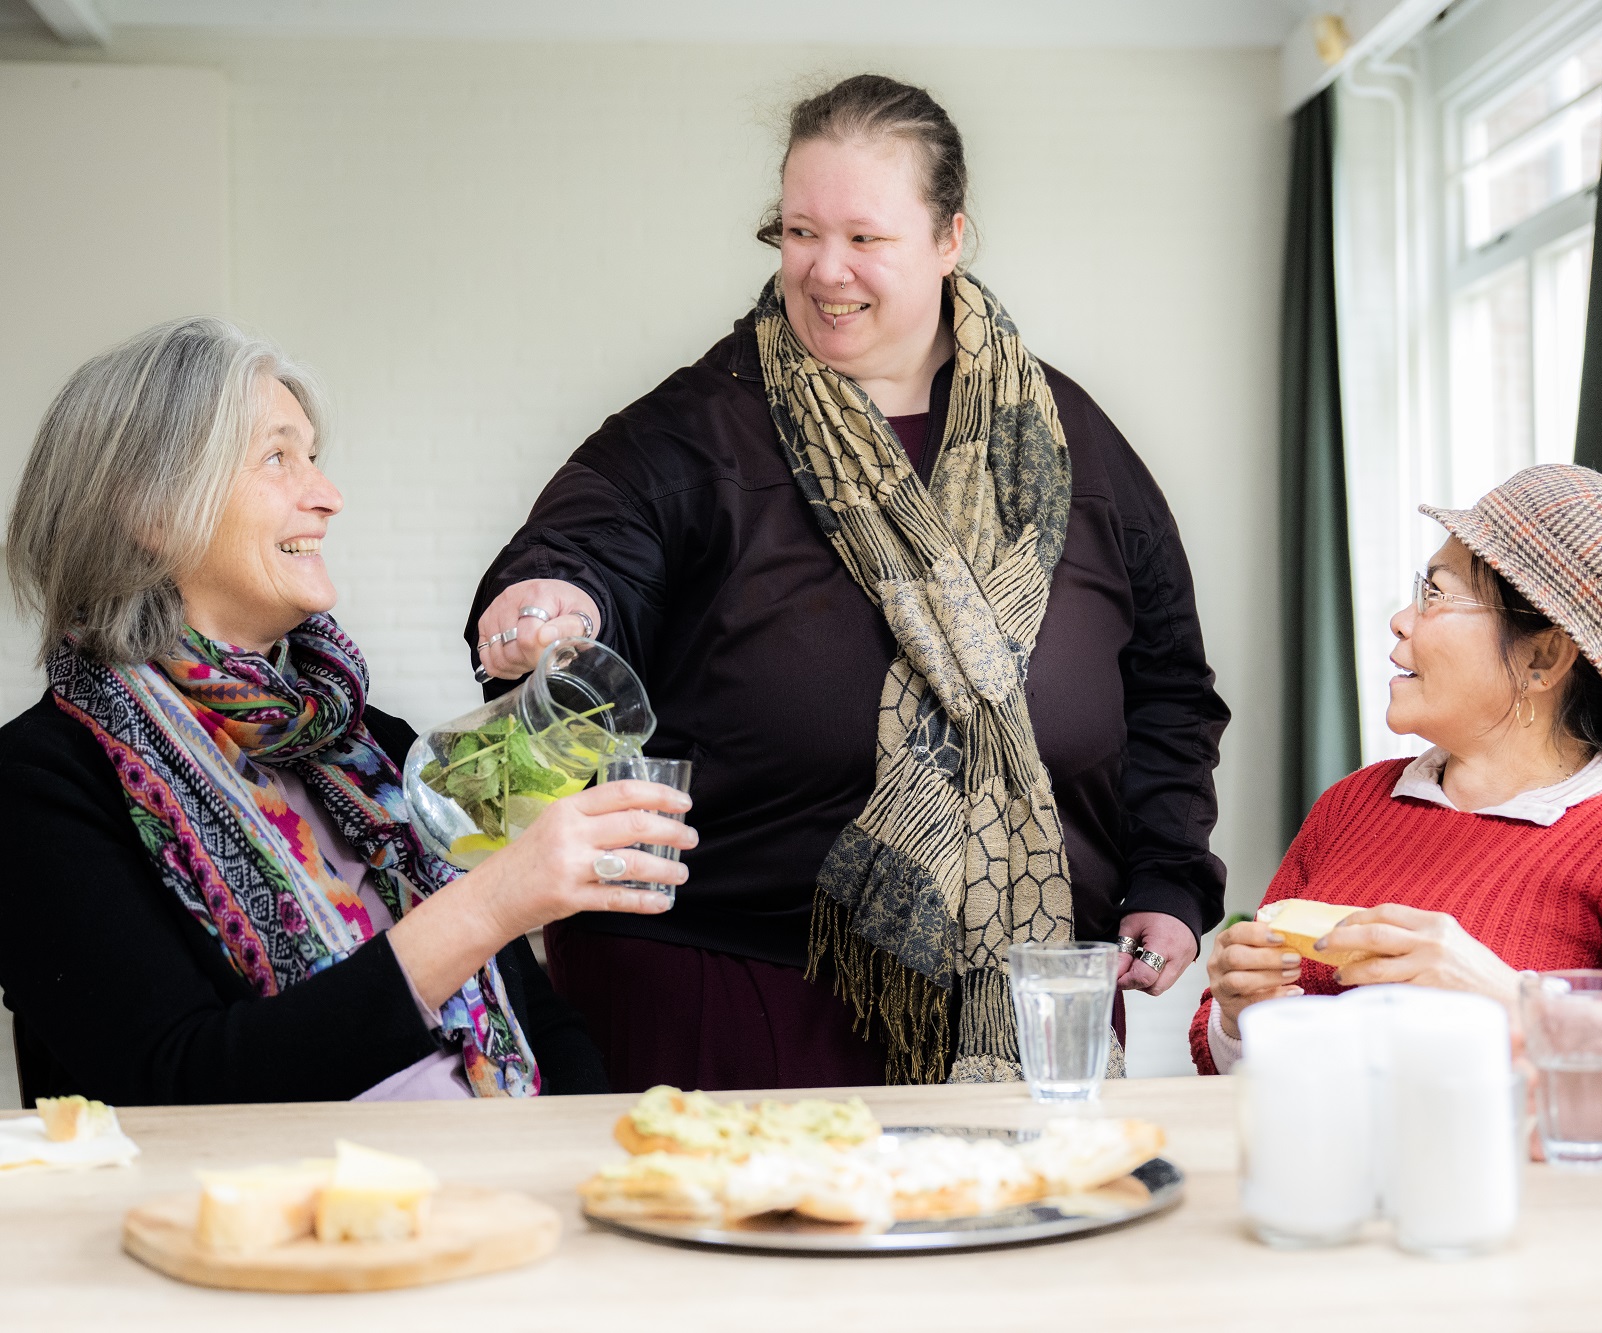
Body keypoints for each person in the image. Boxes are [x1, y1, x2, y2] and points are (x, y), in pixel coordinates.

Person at [467, 74, 1229, 1091]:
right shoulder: (698, 427)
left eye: (865, 239)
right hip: (718, 989)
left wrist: (1167, 878)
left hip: (1021, 988)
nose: (824, 271)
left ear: (950, 237)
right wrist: (548, 601)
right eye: (796, 232)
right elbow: (586, 547)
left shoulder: (1066, 435)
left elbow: (1167, 683)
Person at [0, 317, 696, 1105]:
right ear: (151, 512)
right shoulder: (42, 780)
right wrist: (498, 900)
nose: (327, 497)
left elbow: (542, 1024)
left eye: (314, 459)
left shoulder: (370, 747)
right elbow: (179, 1083)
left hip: (494, 1201)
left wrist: (569, 1157)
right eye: (277, 457)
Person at [1192, 464, 1602, 1075]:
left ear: (1543, 657)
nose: (1402, 620)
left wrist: (1509, 998)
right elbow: (1219, 1055)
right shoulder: (1351, 806)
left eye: (1435, 593)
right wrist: (1235, 1016)